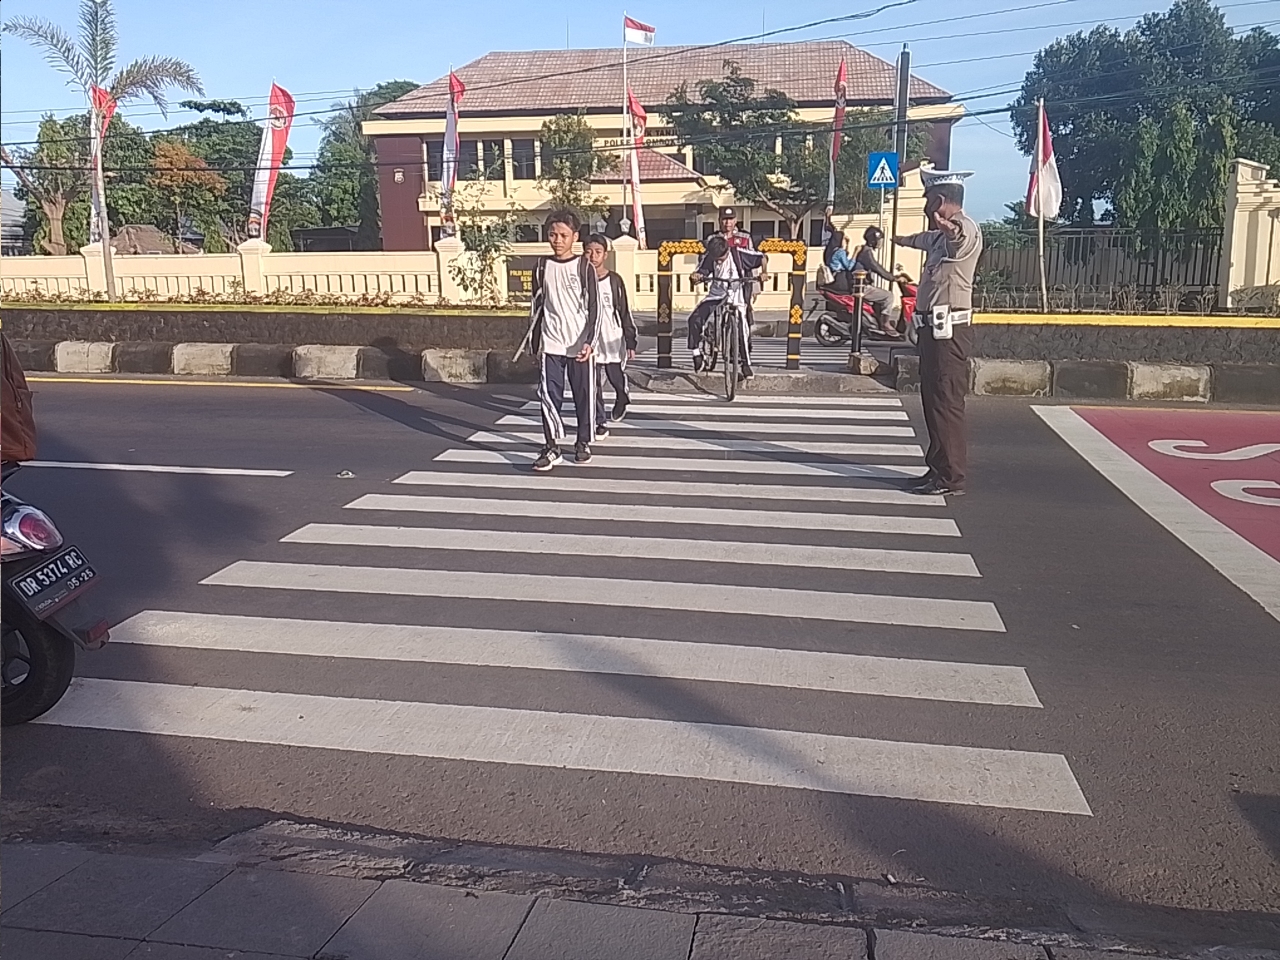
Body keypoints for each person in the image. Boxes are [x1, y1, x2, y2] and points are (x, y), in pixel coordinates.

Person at [893, 169, 983, 496]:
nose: (924, 205)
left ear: (940, 200)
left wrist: (948, 226)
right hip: (932, 331)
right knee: (932, 402)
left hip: (950, 334)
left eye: (928, 199)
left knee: (946, 402)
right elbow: (920, 239)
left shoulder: (966, 229)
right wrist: (898, 240)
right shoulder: (937, 238)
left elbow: (960, 237)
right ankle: (937, 468)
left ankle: (951, 477)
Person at [527, 210, 599, 472]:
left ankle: (582, 441)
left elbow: (595, 308)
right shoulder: (541, 267)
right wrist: (535, 343)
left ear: (574, 237)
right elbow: (536, 307)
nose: (557, 240)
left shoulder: (584, 267)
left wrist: (590, 342)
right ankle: (551, 446)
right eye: (553, 235)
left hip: (579, 345)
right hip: (551, 343)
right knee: (548, 396)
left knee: (583, 396)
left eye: (563, 235)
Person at [687, 233, 765, 380]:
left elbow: (762, 258)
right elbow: (701, 272)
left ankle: (746, 364)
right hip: (716, 295)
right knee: (694, 319)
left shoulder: (739, 254)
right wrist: (696, 276)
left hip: (736, 296)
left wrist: (764, 273)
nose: (718, 262)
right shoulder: (711, 257)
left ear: (727, 250)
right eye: (715, 259)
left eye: (720, 259)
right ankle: (696, 354)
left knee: (742, 327)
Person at [582, 234, 637, 437]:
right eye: (588, 252)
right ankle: (599, 421)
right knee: (593, 382)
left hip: (612, 336)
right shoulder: (581, 280)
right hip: (590, 340)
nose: (593, 256)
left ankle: (622, 395)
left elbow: (624, 311)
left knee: (615, 376)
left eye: (598, 252)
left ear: (605, 255)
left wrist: (630, 341)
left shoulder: (614, 280)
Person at [712, 207, 766, 350]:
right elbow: (707, 260)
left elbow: (753, 260)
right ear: (719, 220)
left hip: (742, 281)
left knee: (745, 311)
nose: (727, 223)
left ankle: (745, 345)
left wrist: (755, 288)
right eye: (724, 219)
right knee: (717, 311)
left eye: (730, 219)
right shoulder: (714, 239)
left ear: (735, 220)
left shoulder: (744, 237)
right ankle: (718, 341)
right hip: (721, 281)